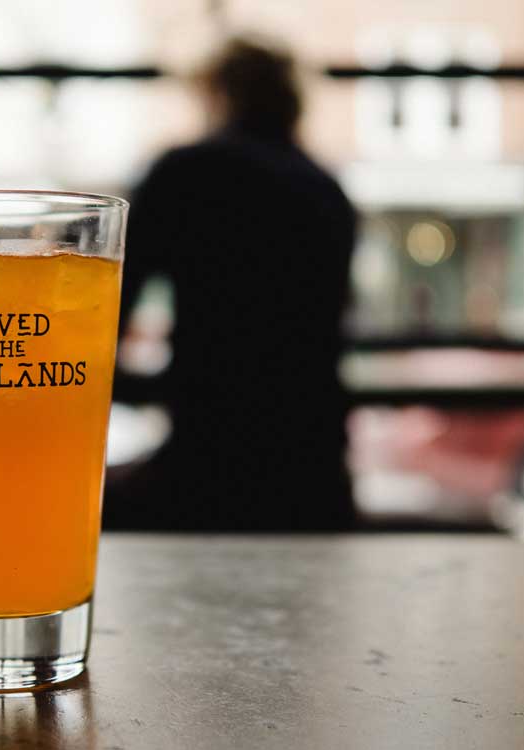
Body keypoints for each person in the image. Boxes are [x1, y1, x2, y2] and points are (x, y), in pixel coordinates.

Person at [107, 37, 357, 531]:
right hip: (315, 470)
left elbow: (110, 305)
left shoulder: (186, 173)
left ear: (218, 94)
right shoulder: (325, 189)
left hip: (205, 462)